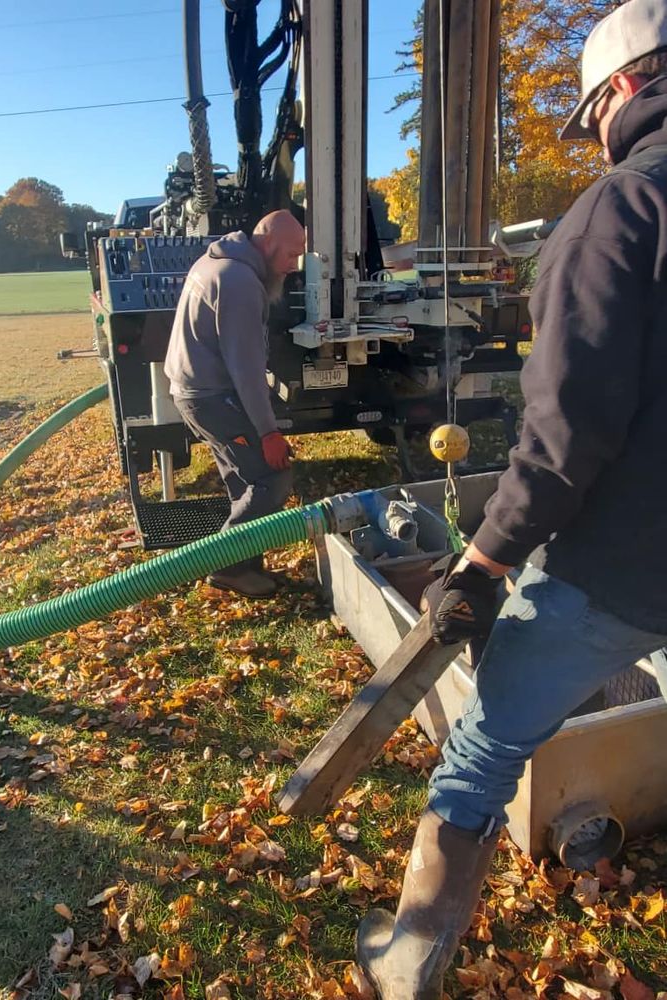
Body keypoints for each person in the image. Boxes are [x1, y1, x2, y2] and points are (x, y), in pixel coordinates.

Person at [356, 1, 667, 996]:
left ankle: (410, 960)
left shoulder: (622, 213)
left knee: (485, 745)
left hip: (622, 564)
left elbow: (568, 435)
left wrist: (481, 561)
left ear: (620, 90)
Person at [165, 210, 306, 597]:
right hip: (210, 397)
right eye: (292, 255)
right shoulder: (239, 281)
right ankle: (227, 567)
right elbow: (246, 370)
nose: (294, 267)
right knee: (272, 477)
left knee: (243, 478)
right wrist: (268, 431)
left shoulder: (220, 260)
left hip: (195, 391)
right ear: (269, 244)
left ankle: (246, 564)